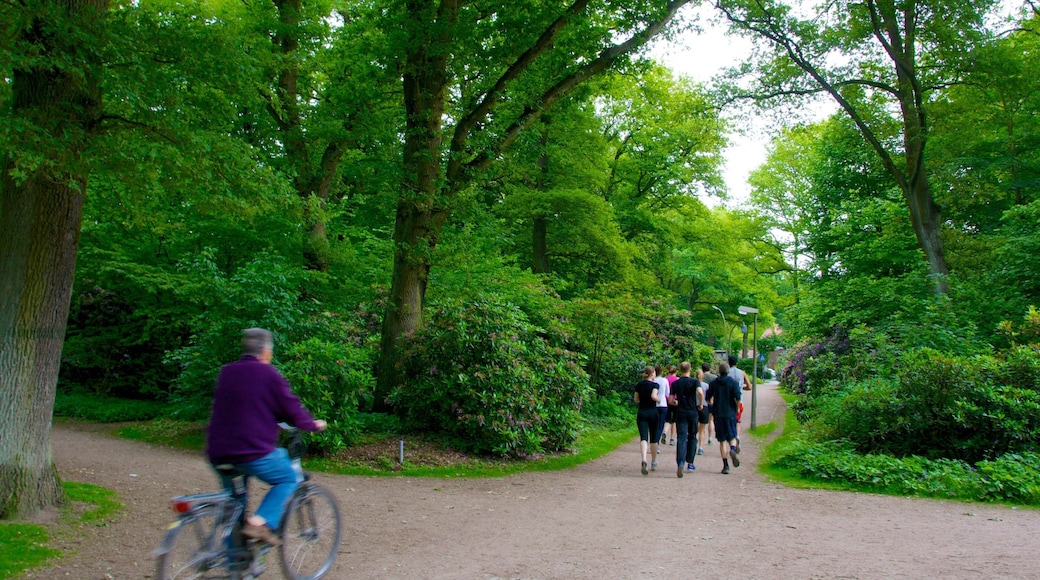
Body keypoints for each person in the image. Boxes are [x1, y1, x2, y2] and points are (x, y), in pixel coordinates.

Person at [206, 328, 327, 545]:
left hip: (218, 452)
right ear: (265, 352)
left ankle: (235, 566)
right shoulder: (268, 374)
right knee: (287, 477)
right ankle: (261, 523)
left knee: (235, 505)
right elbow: (291, 407)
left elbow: (248, 405)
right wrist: (311, 424)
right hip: (251, 450)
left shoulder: (227, 372)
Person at [705, 362, 741, 474]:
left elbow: (708, 397)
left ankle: (725, 466)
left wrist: (712, 405)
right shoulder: (733, 383)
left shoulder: (714, 383)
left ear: (719, 372)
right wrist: (737, 407)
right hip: (730, 413)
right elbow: (738, 397)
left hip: (718, 414)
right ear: (728, 371)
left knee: (722, 440)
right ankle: (733, 450)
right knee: (732, 436)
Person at [670, 362, 701, 478]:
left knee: (681, 437)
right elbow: (700, 392)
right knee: (692, 436)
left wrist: (677, 402)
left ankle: (680, 462)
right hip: (692, 412)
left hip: (681, 412)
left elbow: (671, 400)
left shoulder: (676, 383)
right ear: (690, 369)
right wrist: (701, 403)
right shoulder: (694, 382)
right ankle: (690, 462)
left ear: (680, 370)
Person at [634, 366, 661, 475]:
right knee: (654, 438)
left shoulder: (639, 385)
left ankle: (644, 458)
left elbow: (636, 400)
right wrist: (658, 400)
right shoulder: (655, 385)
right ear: (653, 374)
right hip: (653, 413)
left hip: (642, 412)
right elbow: (654, 396)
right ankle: (653, 461)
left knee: (643, 437)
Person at [728, 354, 752, 450]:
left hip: (728, 401)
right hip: (739, 400)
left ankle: (731, 440)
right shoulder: (742, 373)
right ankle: (737, 436)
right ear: (737, 363)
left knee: (729, 421)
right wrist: (742, 388)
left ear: (728, 363)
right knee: (738, 421)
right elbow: (749, 386)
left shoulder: (726, 372)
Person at [653, 365, 671, 468]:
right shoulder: (664, 380)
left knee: (654, 425)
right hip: (663, 404)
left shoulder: (653, 380)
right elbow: (667, 393)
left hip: (654, 405)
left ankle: (653, 442)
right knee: (660, 425)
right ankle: (657, 443)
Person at [694, 367, 710, 456]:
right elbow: (708, 397)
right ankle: (700, 447)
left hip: (694, 407)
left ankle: (694, 440)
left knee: (694, 426)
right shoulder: (706, 385)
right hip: (704, 407)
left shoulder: (693, 385)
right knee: (702, 429)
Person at [701, 363, 717, 445]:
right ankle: (710, 438)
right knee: (711, 420)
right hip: (711, 401)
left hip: (701, 402)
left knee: (700, 422)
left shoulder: (700, 377)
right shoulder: (714, 377)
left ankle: (698, 436)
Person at [662, 365, 679, 446]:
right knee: (675, 420)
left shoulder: (665, 379)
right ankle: (672, 439)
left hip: (666, 401)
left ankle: (665, 431)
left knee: (668, 419)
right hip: (675, 401)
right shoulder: (678, 380)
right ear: (676, 371)